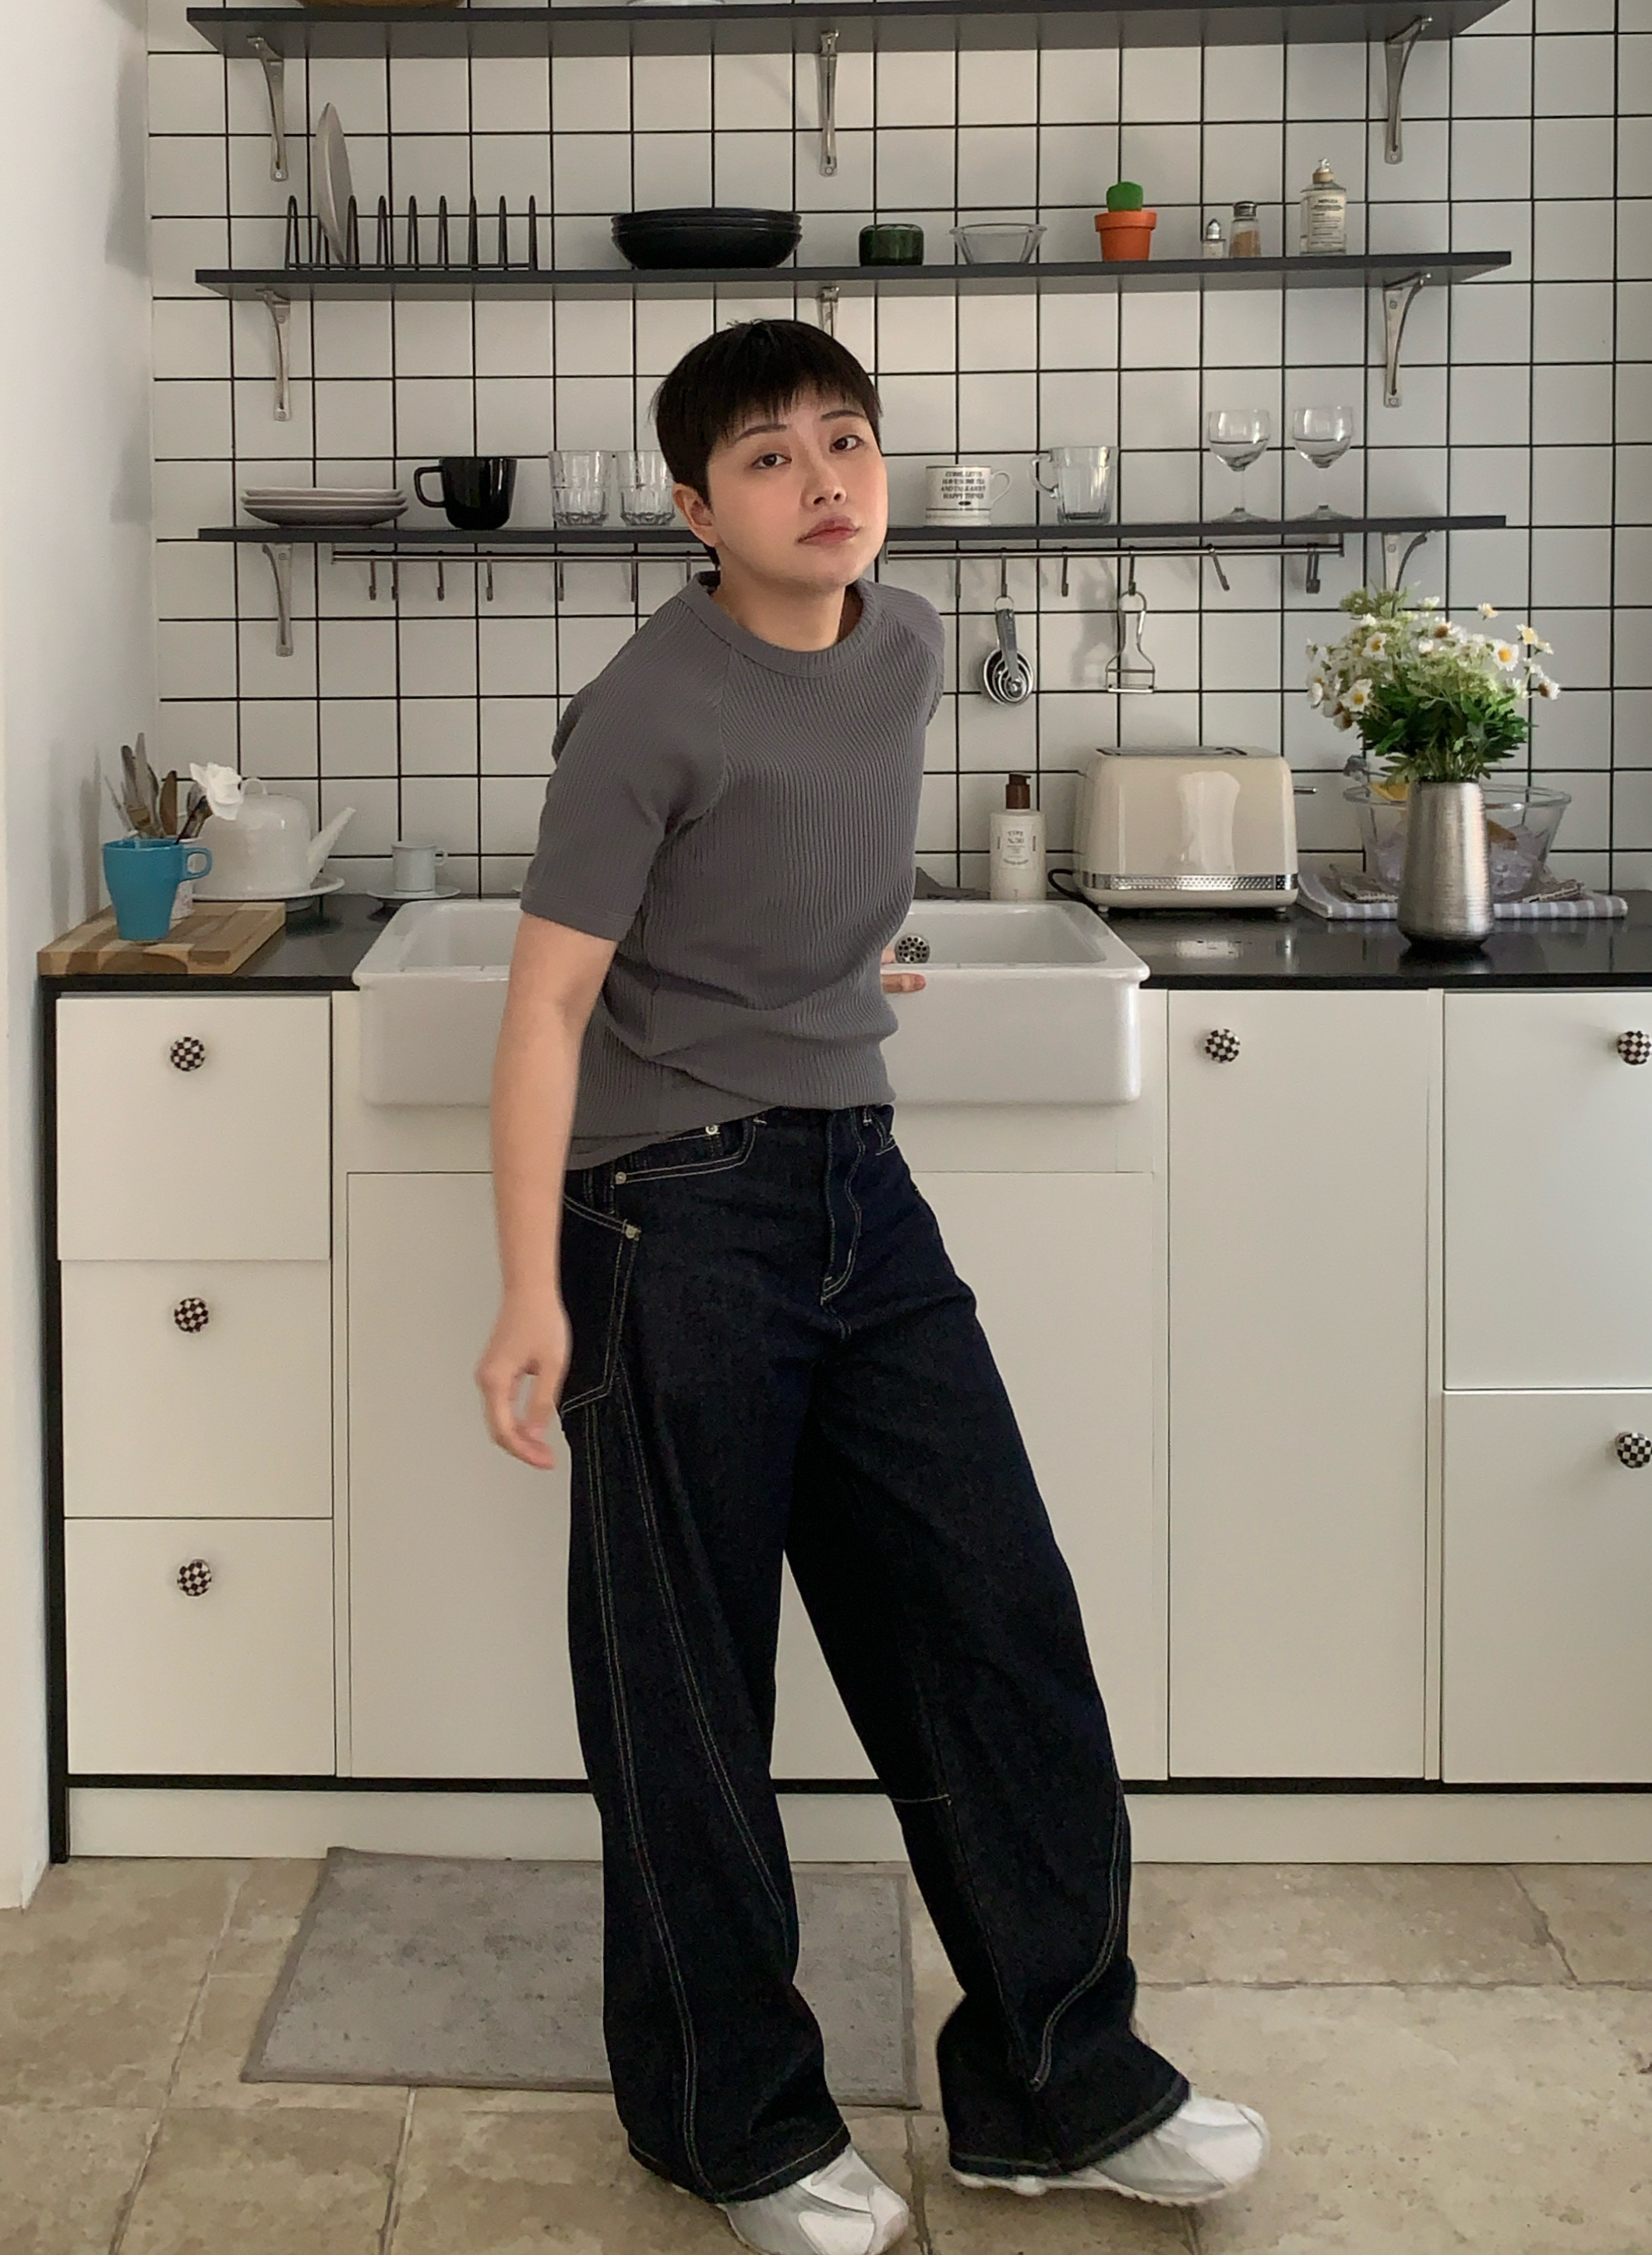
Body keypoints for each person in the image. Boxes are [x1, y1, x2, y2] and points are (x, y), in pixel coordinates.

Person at [474, 319, 1268, 2255]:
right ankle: (728, 2123)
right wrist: (527, 1294)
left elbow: (802, 885)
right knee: (687, 1693)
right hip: (667, 1215)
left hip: (859, 1193)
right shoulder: (641, 710)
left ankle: (1059, 2085)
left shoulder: (903, 643)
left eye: (846, 438)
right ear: (692, 507)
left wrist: (843, 973)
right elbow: (548, 1006)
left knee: (991, 1625)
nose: (822, 478)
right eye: (766, 456)